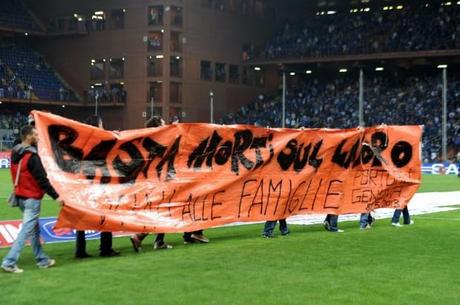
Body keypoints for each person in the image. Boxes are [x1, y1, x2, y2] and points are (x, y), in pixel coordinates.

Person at [1, 125, 64, 273]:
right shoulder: (32, 157)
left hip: (21, 197)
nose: (38, 137)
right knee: (26, 231)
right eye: (35, 135)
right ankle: (9, 262)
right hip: (31, 199)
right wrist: (56, 196)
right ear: (29, 137)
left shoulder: (16, 151)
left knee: (34, 231)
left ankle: (42, 260)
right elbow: (43, 181)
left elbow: (19, 140)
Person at [75, 115, 120, 258]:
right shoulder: (102, 141)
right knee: (105, 215)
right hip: (99, 184)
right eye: (101, 124)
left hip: (82, 184)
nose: (103, 126)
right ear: (98, 125)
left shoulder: (81, 142)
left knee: (81, 218)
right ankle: (105, 249)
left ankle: (80, 251)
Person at [130, 116, 173, 252]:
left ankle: (147, 238)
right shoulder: (155, 143)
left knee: (159, 211)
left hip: (149, 182)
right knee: (162, 210)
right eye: (163, 123)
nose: (165, 125)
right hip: (156, 182)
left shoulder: (145, 141)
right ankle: (143, 237)